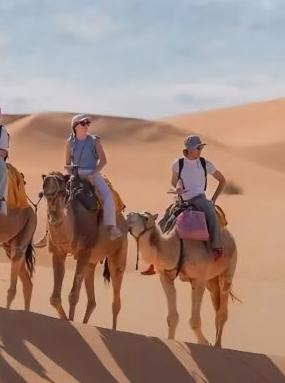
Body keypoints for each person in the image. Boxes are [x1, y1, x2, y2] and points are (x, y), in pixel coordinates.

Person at [141, 135, 226, 274]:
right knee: (163, 222)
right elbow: (172, 183)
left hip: (199, 198)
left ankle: (216, 248)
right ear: (190, 150)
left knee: (211, 212)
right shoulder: (178, 164)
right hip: (181, 200)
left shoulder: (206, 164)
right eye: (198, 148)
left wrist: (214, 199)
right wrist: (176, 190)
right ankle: (155, 261)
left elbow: (222, 180)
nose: (200, 150)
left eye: (201, 147)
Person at [65, 113, 122, 240]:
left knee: (107, 196)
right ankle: (49, 232)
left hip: (93, 174)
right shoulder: (70, 143)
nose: (86, 126)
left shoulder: (94, 140)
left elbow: (103, 161)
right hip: (76, 175)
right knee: (57, 196)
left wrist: (93, 174)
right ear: (75, 126)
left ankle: (111, 227)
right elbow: (68, 163)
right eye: (83, 123)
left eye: (87, 123)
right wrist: (71, 173)